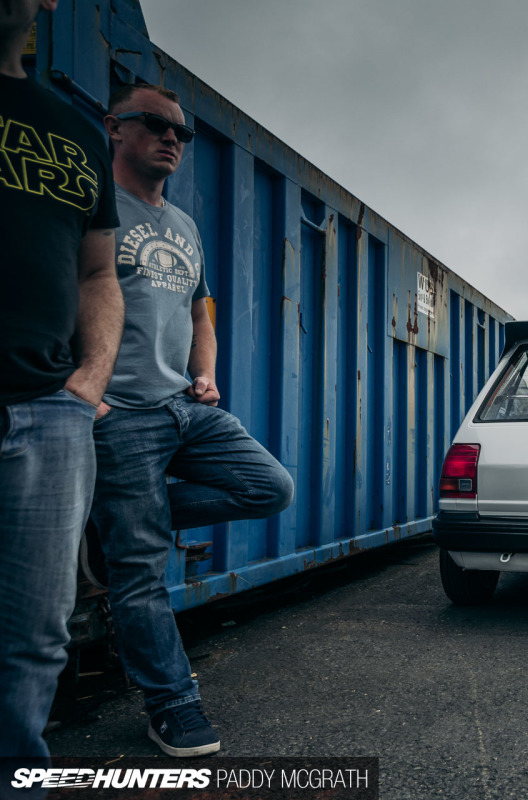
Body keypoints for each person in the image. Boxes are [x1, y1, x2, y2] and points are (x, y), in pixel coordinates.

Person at [91, 83, 294, 758]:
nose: (172, 137)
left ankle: (117, 524)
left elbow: (200, 313)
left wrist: (205, 372)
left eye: (182, 131)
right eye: (154, 124)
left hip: (185, 404)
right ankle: (172, 705)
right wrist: (81, 386)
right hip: (119, 414)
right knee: (142, 571)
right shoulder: (89, 203)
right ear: (113, 127)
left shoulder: (183, 225)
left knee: (270, 488)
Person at [0, 0, 124, 767]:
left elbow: (99, 271)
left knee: (35, 634)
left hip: (48, 414)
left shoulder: (73, 129)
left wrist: (87, 382)